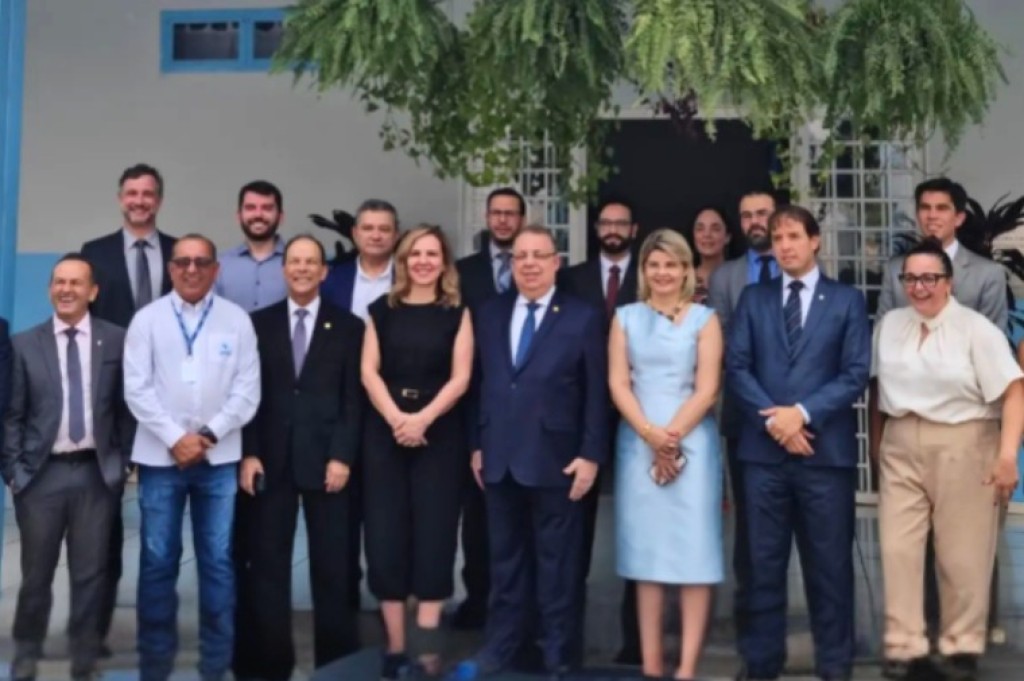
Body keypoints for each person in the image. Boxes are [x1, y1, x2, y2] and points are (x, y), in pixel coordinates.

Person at [449, 224, 608, 680]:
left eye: (540, 256)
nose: (530, 264)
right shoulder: (490, 312)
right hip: (499, 459)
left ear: (556, 262)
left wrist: (591, 454)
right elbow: (477, 385)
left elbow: (597, 392)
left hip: (559, 460)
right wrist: (477, 444)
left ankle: (558, 654)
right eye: (522, 257)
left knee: (558, 567)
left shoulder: (583, 315)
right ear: (512, 264)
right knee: (504, 564)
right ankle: (502, 647)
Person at [726, 206, 870, 681]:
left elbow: (855, 373)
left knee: (829, 569)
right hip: (763, 457)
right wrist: (777, 422)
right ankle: (761, 664)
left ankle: (835, 666)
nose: (784, 245)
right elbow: (737, 368)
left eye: (793, 236)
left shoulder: (846, 300)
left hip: (825, 456)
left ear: (815, 241)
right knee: (762, 567)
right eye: (777, 238)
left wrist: (801, 414)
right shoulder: (754, 298)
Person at [869, 238, 1023, 681]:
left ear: (948, 282)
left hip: (964, 440)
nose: (919, 287)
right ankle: (905, 648)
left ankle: (961, 648)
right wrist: (877, 446)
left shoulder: (976, 330)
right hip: (901, 440)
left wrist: (1007, 455)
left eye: (929, 278)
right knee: (898, 549)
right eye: (911, 278)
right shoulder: (890, 325)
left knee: (962, 554)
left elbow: (1014, 391)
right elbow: (877, 390)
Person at [123, 234, 260, 681]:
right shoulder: (147, 320)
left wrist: (206, 436)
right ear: (170, 268)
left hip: (218, 460)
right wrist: (174, 438)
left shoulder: (237, 320)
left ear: (216, 269)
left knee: (217, 561)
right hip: (160, 460)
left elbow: (247, 391)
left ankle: (215, 665)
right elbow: (136, 389)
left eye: (202, 262)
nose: (192, 269)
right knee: (158, 559)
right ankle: (155, 664)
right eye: (182, 261)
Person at [232, 235, 364, 680]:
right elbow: (247, 396)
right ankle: (271, 665)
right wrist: (249, 453)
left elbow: (352, 400)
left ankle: (337, 666)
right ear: (283, 269)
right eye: (295, 262)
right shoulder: (257, 324)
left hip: (328, 465)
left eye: (311, 262)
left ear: (324, 272)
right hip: (270, 463)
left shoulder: (349, 327)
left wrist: (342, 456)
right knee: (268, 569)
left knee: (333, 569)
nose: (303, 269)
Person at [4, 256, 131, 681]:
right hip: (41, 476)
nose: (66, 290)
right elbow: (12, 414)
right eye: (59, 282)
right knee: (36, 574)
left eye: (76, 283)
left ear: (92, 291)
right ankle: (26, 651)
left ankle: (84, 657)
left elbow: (127, 407)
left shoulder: (116, 340)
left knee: (90, 573)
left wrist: (123, 463)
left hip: (96, 474)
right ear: (49, 290)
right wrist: (14, 473)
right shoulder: (24, 344)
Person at [610, 229, 724, 680]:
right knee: (647, 558)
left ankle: (687, 669)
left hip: (692, 443)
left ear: (685, 270)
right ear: (644, 270)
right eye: (654, 264)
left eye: (671, 264)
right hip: (638, 442)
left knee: (695, 556)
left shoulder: (705, 319)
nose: (662, 273)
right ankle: (652, 667)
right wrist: (650, 435)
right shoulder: (625, 318)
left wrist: (670, 438)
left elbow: (708, 388)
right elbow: (619, 383)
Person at [362, 225, 473, 678]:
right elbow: (369, 372)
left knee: (435, 537)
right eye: (415, 254)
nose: (424, 261)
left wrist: (422, 419)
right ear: (403, 261)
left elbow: (461, 377)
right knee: (385, 537)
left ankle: (426, 653)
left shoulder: (457, 312)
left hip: (439, 437)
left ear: (444, 263)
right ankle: (394, 650)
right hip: (384, 434)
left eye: (432, 254)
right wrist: (397, 419)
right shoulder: (381, 310)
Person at [80, 162, 177, 651]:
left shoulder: (181, 253)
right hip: (110, 405)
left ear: (159, 200)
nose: (140, 201)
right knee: (103, 525)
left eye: (148, 193)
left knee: (164, 524)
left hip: (168, 404)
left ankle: (157, 629)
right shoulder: (94, 254)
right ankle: (94, 629)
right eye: (132, 193)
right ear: (121, 198)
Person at [557, 197, 640, 664]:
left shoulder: (650, 275)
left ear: (634, 229)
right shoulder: (572, 279)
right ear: (595, 228)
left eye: (620, 223)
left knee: (636, 524)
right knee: (574, 527)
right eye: (605, 222)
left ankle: (635, 641)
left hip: (636, 416)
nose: (612, 229)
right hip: (578, 418)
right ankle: (566, 638)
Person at [320, 198, 400, 609]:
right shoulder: (332, 280)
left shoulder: (411, 277)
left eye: (384, 229)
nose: (375, 235)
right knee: (341, 512)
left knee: (388, 513)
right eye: (368, 228)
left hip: (395, 409)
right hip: (342, 406)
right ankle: (345, 601)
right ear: (354, 233)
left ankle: (390, 598)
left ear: (395, 235)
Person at [453, 186, 527, 629]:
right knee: (476, 510)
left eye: (510, 213)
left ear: (522, 219)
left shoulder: (532, 268)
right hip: (474, 397)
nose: (502, 220)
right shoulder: (463, 272)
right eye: (496, 213)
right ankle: (477, 598)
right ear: (487, 217)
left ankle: (516, 601)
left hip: (524, 400)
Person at [706, 189, 777, 641]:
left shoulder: (796, 266)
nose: (755, 222)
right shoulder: (726, 276)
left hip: (797, 413)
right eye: (747, 215)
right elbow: (723, 341)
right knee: (749, 511)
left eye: (762, 214)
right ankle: (750, 602)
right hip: (743, 409)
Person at [876, 178, 1007, 329]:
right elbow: (882, 330)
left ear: (959, 218)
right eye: (925, 207)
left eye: (941, 208)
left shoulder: (988, 273)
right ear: (917, 215)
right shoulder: (894, 269)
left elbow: (993, 336)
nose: (932, 215)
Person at [215, 180, 288, 311]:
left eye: (267, 208)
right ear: (239, 216)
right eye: (250, 208)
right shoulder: (219, 265)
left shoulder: (299, 264)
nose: (258, 214)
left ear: (280, 217)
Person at [686, 205, 738, 304]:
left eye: (715, 229)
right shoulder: (683, 280)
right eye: (700, 229)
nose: (707, 234)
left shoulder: (739, 276)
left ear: (727, 237)